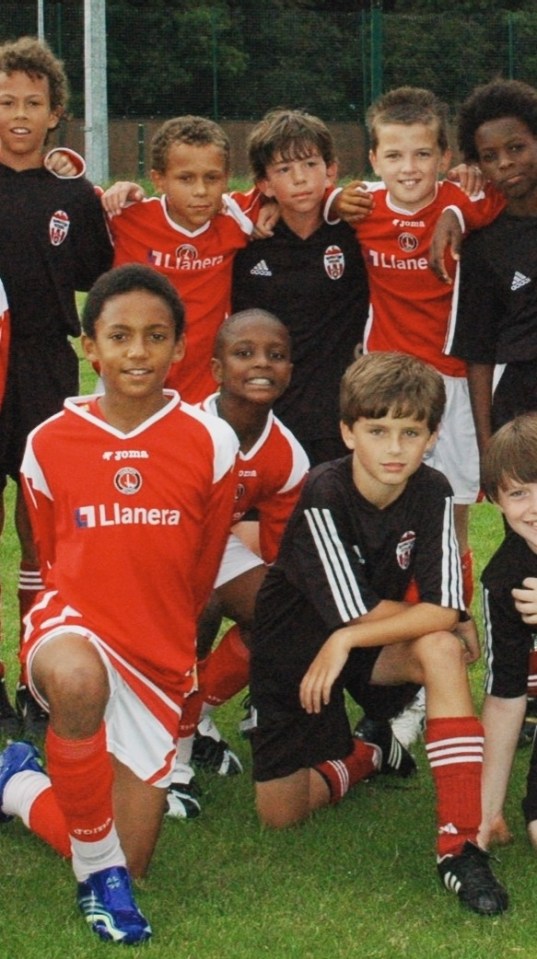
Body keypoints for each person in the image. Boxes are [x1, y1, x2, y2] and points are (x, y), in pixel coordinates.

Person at [0, 264, 239, 944]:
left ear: (181, 346)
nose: (138, 351)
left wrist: (167, 640)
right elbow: (45, 552)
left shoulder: (209, 440)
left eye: (155, 336)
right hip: (73, 625)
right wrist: (52, 637)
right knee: (77, 680)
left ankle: (18, 785)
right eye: (121, 336)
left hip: (157, 651)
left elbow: (203, 560)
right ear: (91, 348)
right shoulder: (48, 440)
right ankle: (97, 879)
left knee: (132, 853)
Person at [249, 351, 508, 917]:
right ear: (348, 432)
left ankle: (461, 845)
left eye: (410, 432)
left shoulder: (433, 489)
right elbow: (357, 613)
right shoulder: (325, 491)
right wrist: (440, 616)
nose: (394, 449)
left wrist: (447, 617)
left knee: (440, 648)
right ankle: (370, 753)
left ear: (432, 436)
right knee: (280, 813)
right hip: (297, 650)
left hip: (364, 645)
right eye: (378, 430)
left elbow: (440, 609)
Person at [327, 87, 504, 746]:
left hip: (451, 388)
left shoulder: (463, 202)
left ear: (442, 156)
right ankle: (400, 669)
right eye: (393, 154)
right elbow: (277, 197)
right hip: (382, 389)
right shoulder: (357, 204)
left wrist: (461, 196)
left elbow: (506, 185)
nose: (408, 167)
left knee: (447, 524)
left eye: (422, 154)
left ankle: (444, 650)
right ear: (373, 156)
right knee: (380, 528)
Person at [0, 36, 113, 735]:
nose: (17, 114)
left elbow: (95, 273)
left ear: (55, 113)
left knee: (38, 523)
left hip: (44, 364)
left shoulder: (72, 193)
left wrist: (112, 196)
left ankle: (33, 671)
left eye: (31, 103)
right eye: (5, 101)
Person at [166, 307, 309, 818]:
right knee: (196, 614)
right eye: (244, 353)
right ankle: (171, 766)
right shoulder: (185, 429)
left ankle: (196, 714)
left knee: (283, 612)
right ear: (217, 369)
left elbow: (281, 553)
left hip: (213, 546)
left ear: (291, 370)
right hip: (159, 548)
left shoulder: (289, 456)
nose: (261, 364)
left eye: (276, 355)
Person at [232, 108, 370, 467]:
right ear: (263, 183)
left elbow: (414, 196)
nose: (300, 179)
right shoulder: (246, 237)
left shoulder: (357, 229)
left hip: (342, 409)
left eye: (310, 164)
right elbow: (208, 204)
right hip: (270, 409)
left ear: (331, 170)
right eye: (283, 170)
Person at [100, 115, 260, 404]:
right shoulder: (127, 215)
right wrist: (64, 162)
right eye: (186, 178)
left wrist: (336, 201)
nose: (200, 191)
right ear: (158, 180)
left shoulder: (237, 219)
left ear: (225, 178)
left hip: (202, 386)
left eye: (211, 178)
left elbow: (288, 191)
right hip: (127, 377)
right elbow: (70, 197)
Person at [477, 413, 537, 851]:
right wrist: (487, 812)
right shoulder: (506, 580)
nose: (534, 508)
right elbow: (505, 699)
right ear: (496, 503)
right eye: (519, 494)